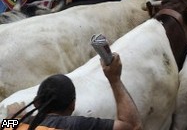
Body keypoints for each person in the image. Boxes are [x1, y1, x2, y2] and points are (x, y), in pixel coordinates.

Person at [8, 53, 142, 130]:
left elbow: (6, 123)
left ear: (37, 102)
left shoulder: (13, 125)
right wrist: (115, 79)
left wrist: (14, 118)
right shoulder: (75, 125)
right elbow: (132, 126)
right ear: (72, 105)